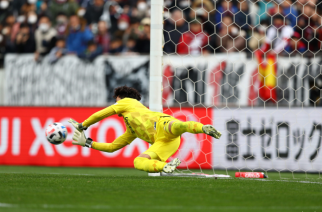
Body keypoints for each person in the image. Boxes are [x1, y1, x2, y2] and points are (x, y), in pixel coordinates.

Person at [69, 86, 221, 173]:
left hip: (162, 124)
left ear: (121, 99)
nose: (116, 105)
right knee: (138, 161)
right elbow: (112, 147)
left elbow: (102, 113)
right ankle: (166, 166)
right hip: (164, 143)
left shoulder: (127, 101)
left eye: (116, 101)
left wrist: (83, 125)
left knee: (176, 126)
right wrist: (88, 143)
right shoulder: (132, 130)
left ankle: (203, 127)